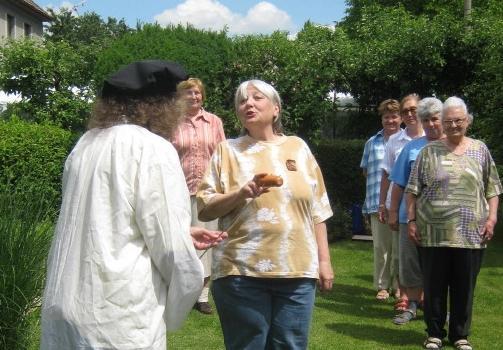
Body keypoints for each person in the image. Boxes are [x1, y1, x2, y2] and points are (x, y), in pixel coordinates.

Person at [40, 60, 227, 350]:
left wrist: (181, 232)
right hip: (119, 315)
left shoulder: (84, 145)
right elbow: (171, 250)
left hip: (66, 303)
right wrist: (179, 300)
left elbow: (103, 216)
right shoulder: (152, 149)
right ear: (162, 105)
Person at [196, 79, 334, 349]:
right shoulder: (228, 150)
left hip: (297, 271)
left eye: (257, 98)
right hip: (240, 271)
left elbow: (318, 210)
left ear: (276, 109)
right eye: (242, 101)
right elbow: (204, 207)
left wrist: (324, 262)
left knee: (290, 345)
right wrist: (240, 193)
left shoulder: (298, 147)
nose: (248, 103)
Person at [406, 97, 502, 350]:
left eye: (458, 120)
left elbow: (493, 188)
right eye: (448, 121)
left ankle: (460, 335)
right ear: (443, 123)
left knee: (464, 287)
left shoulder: (480, 149)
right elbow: (412, 190)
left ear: (467, 121)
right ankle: (434, 334)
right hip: (433, 233)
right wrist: (412, 221)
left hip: (471, 234)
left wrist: (492, 217)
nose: (453, 125)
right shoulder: (428, 152)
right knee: (434, 286)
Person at [171, 77, 226, 314]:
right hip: (178, 190)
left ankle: (201, 296)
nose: (194, 97)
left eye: (198, 93)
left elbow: (223, 155)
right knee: (180, 241)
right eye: (189, 93)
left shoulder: (213, 122)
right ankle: (181, 291)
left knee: (206, 243)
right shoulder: (172, 122)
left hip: (207, 192)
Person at [388, 97, 445, 325]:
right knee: (410, 263)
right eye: (426, 120)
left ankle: (434, 307)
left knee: (439, 264)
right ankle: (411, 305)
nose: (430, 124)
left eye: (435, 119)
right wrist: (393, 211)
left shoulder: (451, 145)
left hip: (442, 220)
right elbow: (398, 182)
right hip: (408, 216)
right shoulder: (412, 147)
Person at [378, 93, 423, 311]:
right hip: (401, 206)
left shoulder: (435, 137)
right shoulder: (395, 141)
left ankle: (424, 296)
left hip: (430, 208)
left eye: (414, 109)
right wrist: (384, 205)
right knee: (402, 254)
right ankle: (404, 296)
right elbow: (386, 175)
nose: (410, 114)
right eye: (406, 111)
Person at [360, 99, 402, 301]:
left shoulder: (408, 142)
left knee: (399, 249)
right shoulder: (372, 142)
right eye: (387, 116)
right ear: (382, 118)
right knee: (381, 248)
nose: (390, 120)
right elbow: (367, 172)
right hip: (377, 203)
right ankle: (382, 286)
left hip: (401, 204)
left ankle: (399, 286)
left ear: (401, 118)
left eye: (394, 116)